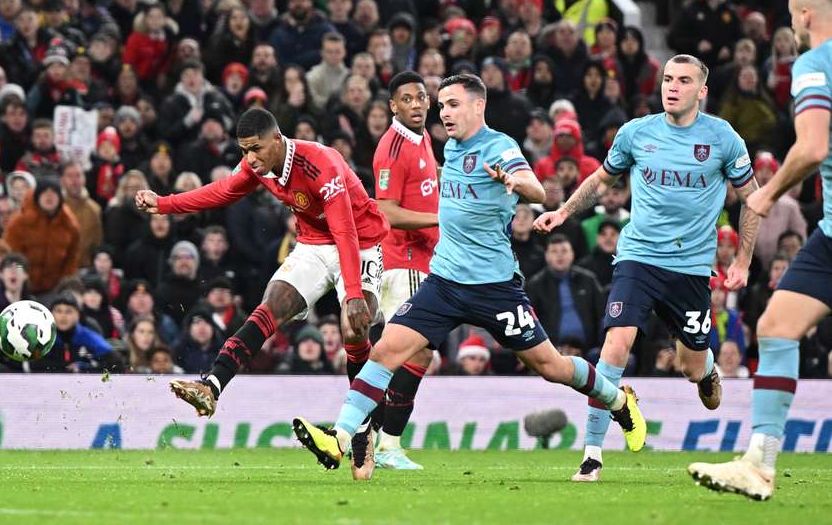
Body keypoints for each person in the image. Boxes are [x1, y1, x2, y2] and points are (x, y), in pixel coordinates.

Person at [292, 73, 646, 472]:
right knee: (386, 351)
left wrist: (514, 180)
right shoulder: (452, 148)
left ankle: (617, 399)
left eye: (453, 104)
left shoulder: (499, 146)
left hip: (494, 288)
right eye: (441, 105)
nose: (443, 112)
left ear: (479, 106)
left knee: (551, 366)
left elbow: (535, 189)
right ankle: (339, 437)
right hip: (443, 282)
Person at [534, 54, 760, 483]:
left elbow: (752, 198)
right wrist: (564, 211)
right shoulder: (636, 133)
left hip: (691, 268)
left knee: (691, 367)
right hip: (638, 257)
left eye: (684, 81)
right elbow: (603, 180)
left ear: (702, 91)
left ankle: (706, 366)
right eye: (668, 79)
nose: (672, 87)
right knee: (615, 346)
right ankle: (593, 455)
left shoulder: (723, 138)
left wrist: (744, 260)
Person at [135, 107, 389, 419]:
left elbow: (344, 231)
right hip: (314, 243)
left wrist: (351, 294)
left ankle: (361, 425)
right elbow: (222, 191)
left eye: (256, 148)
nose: (251, 158)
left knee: (355, 327)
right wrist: (164, 204)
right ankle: (212, 386)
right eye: (244, 151)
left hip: (359, 241)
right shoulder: (259, 165)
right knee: (272, 304)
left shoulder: (322, 165)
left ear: (278, 140)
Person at [688, 0, 832, 502]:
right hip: (830, 234)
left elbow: (813, 147)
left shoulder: (816, 62)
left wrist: (766, 195)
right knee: (775, 326)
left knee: (776, 329)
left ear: (805, 15)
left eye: (792, 17)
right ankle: (759, 464)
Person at [367, 71, 439, 475]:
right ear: (392, 106)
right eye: (407, 99)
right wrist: (440, 218)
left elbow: (428, 180)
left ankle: (370, 432)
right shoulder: (391, 148)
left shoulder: (422, 137)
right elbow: (387, 211)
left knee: (401, 352)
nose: (416, 104)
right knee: (412, 351)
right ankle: (383, 440)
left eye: (421, 97)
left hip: (425, 260)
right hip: (404, 261)